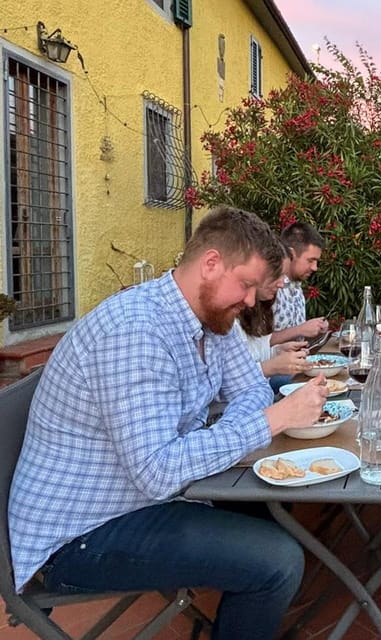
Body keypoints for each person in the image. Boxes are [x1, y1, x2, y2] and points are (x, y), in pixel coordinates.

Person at [8, 206, 329, 640]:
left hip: (140, 498)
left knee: (267, 508)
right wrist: (268, 423)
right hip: (80, 534)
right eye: (247, 284)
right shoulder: (135, 331)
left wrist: (247, 423)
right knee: (278, 560)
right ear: (211, 263)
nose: (253, 301)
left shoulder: (215, 318)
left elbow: (251, 388)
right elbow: (157, 473)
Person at [235, 243, 311, 390]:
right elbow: (227, 385)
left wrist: (276, 351)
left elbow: (252, 353)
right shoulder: (227, 315)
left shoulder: (257, 306)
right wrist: (271, 367)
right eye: (278, 275)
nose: (282, 284)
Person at [272, 221, 329, 342]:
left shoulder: (297, 288)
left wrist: (316, 329)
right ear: (291, 254)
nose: (315, 267)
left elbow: (299, 340)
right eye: (310, 260)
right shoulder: (269, 288)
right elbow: (255, 345)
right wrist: (300, 329)